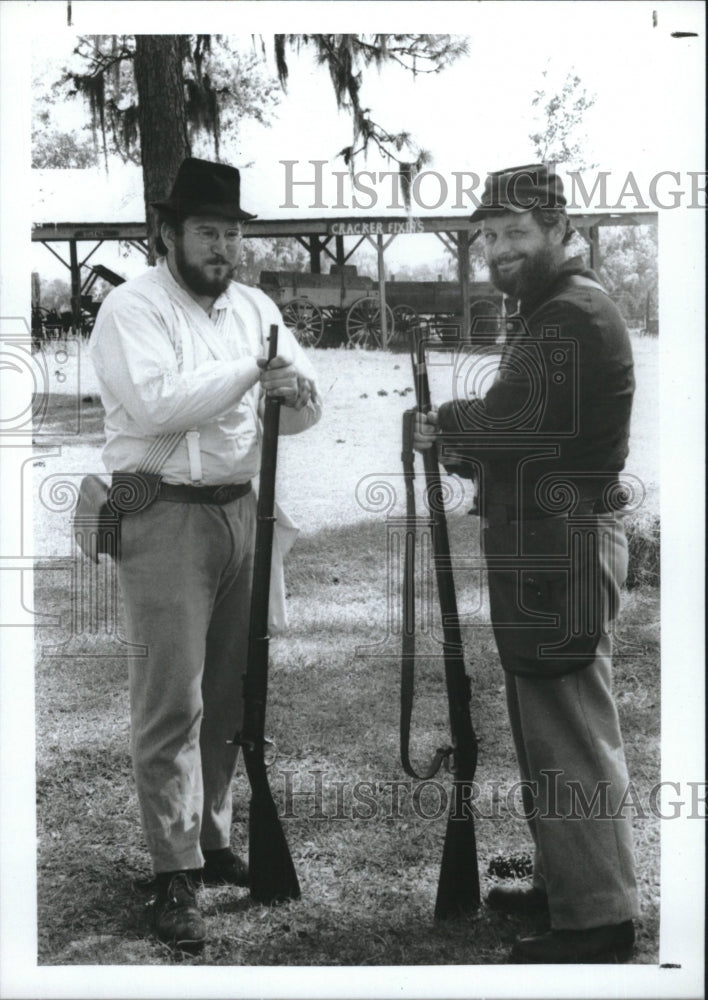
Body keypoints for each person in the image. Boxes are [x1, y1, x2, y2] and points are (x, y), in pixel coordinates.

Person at [89, 157, 322, 951]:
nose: (223, 246)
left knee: (231, 692)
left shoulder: (254, 305)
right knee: (171, 700)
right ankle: (173, 874)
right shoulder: (132, 308)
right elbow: (159, 403)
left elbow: (292, 413)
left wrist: (295, 394)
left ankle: (213, 839)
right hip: (162, 514)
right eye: (207, 231)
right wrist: (258, 372)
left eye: (231, 232)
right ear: (169, 233)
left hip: (240, 509)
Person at [414, 164, 639, 963]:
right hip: (546, 542)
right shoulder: (555, 309)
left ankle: (599, 919)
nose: (499, 249)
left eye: (515, 233)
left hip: (560, 547)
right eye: (489, 237)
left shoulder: (569, 315)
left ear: (557, 229)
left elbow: (511, 417)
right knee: (548, 728)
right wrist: (473, 452)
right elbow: (538, 438)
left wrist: (443, 421)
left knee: (569, 731)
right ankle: (567, 886)